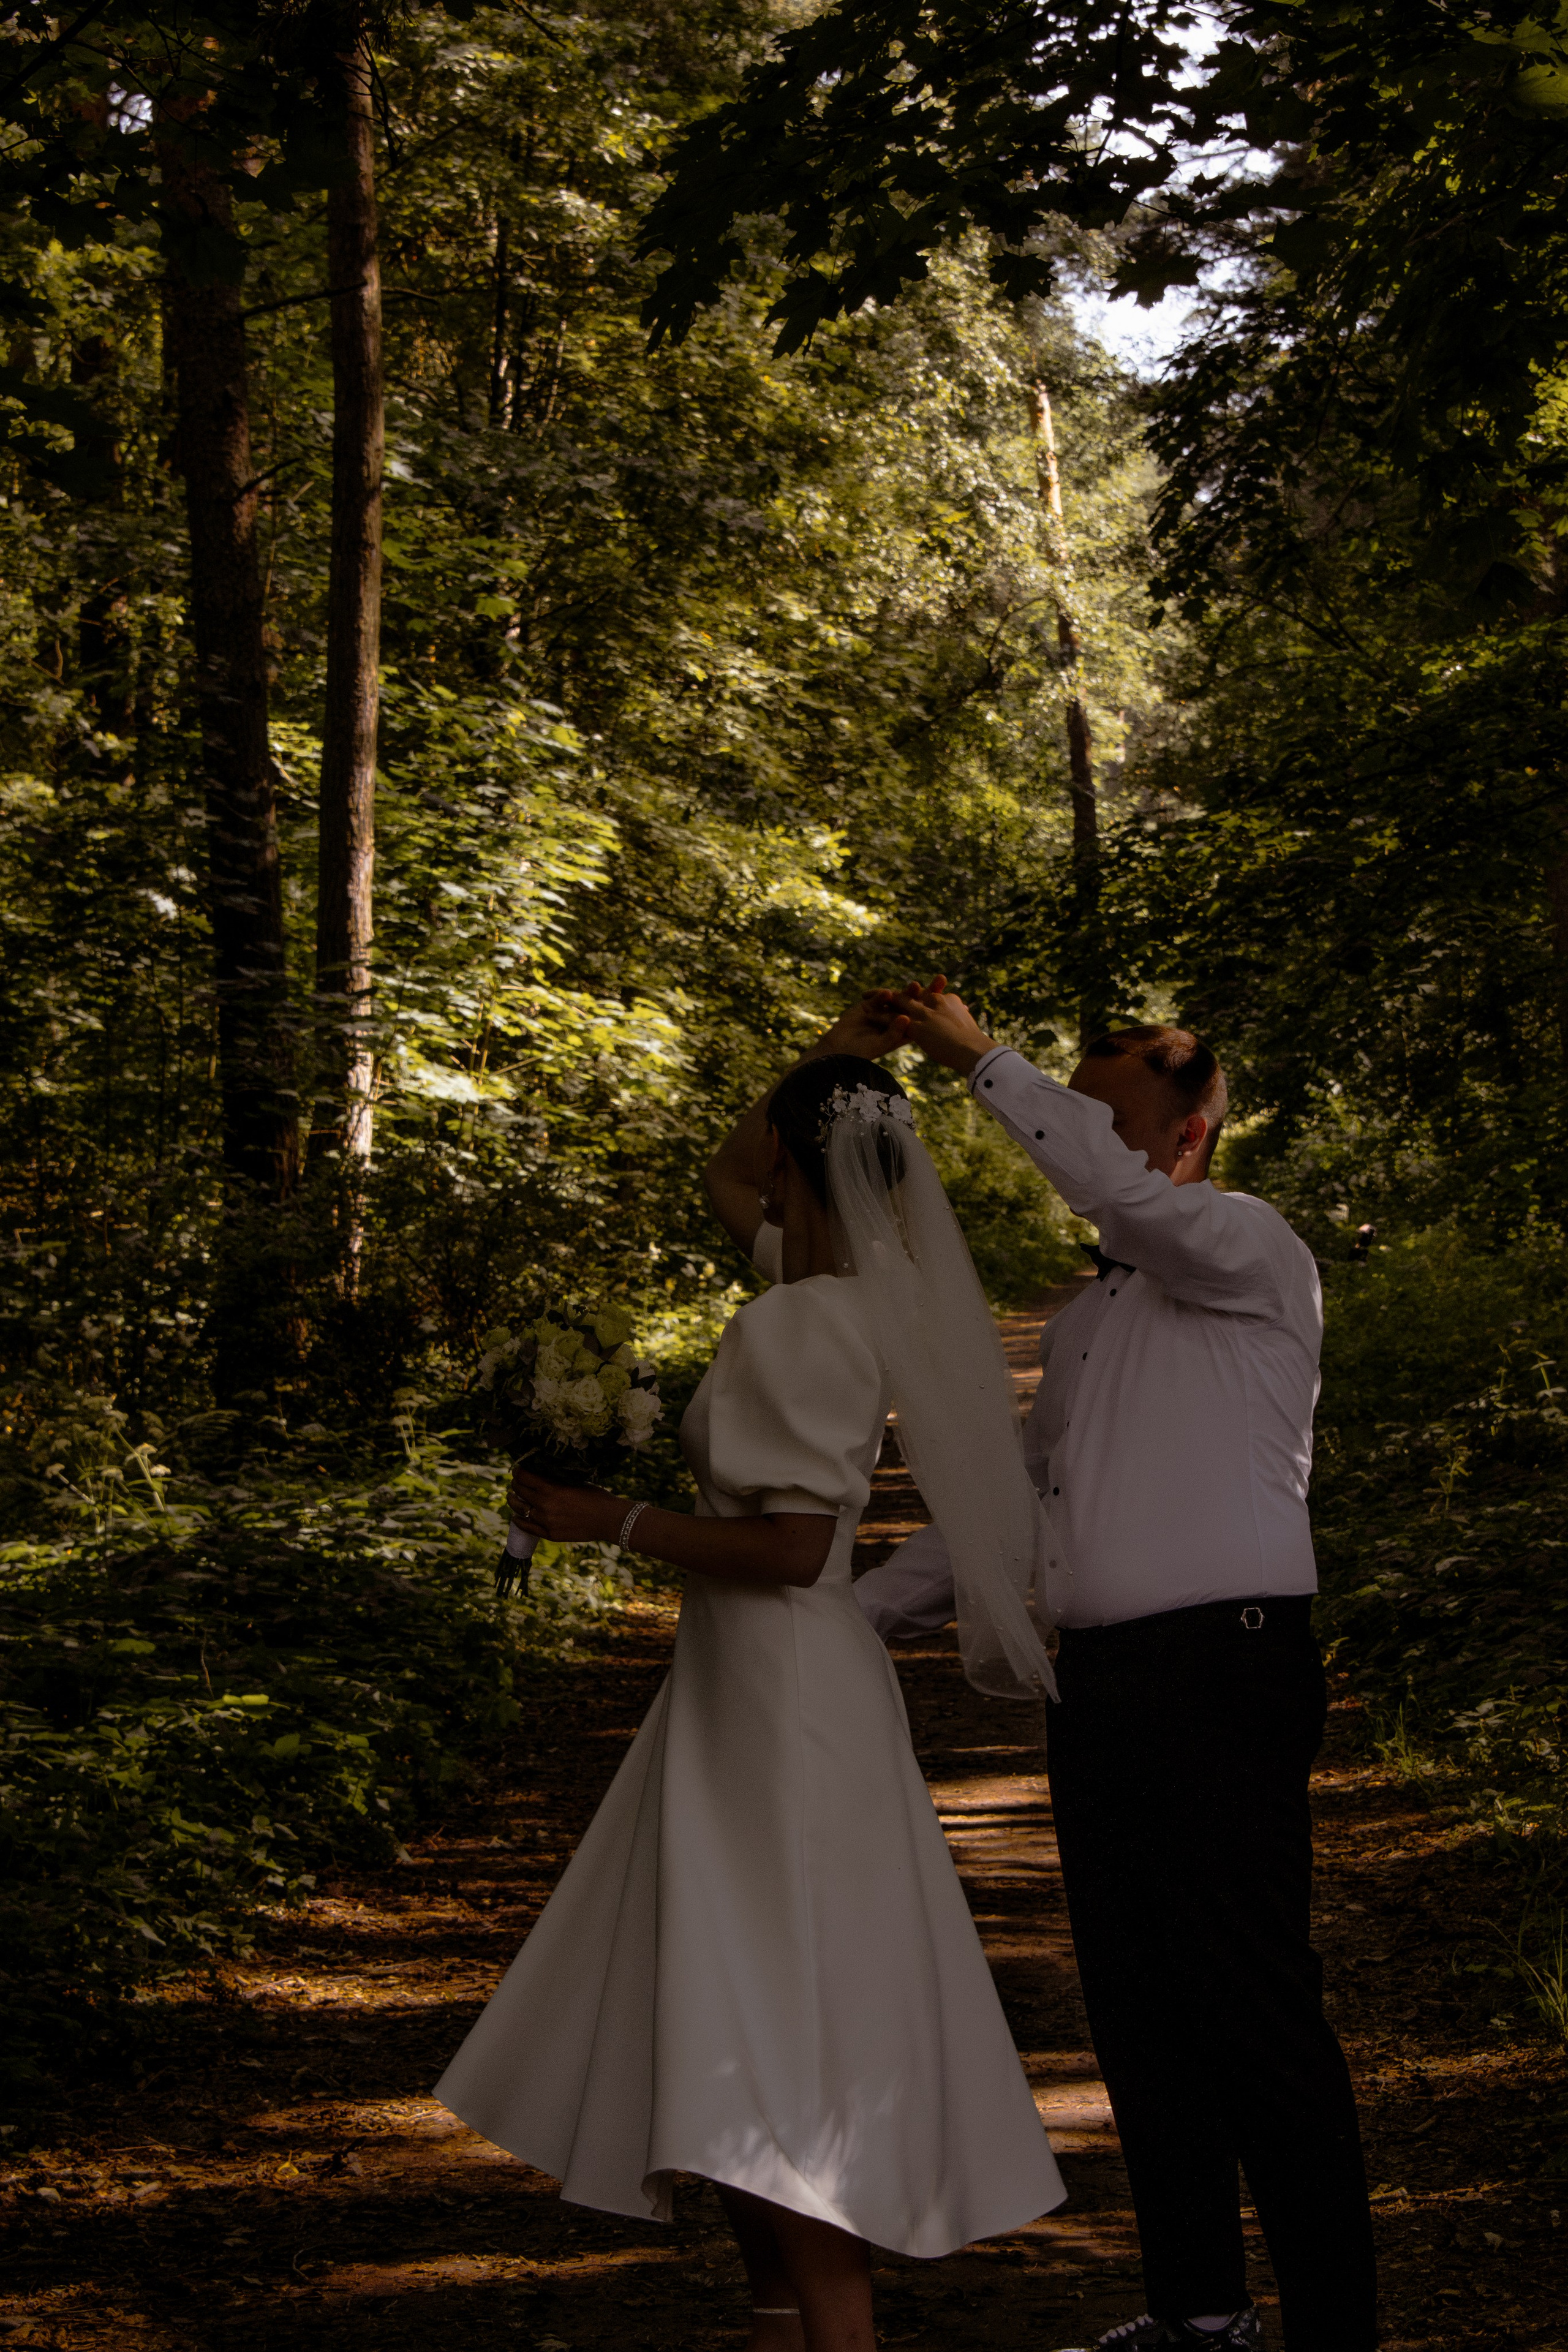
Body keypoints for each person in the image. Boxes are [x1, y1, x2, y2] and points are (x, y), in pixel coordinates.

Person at [434, 1022, 1066, 2352]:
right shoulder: (852, 1290)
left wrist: (609, 1521)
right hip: (758, 1697)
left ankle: (828, 2327)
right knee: (734, 2043)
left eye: (771, 1143)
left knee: (778, 2050)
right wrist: (828, 1051)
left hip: (775, 1710)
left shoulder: (797, 1318)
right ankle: (783, 2326)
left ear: (795, 1156)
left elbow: (788, 1549)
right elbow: (731, 1180)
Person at [853, 981, 1378, 2352]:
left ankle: (1334, 2330)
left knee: (1253, 2007)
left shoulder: (1248, 1248)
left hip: (1223, 1675)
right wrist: (846, 1615)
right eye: (1069, 1114)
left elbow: (1118, 1201)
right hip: (1103, 1690)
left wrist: (983, 1063)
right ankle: (1197, 2314)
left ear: (1188, 1133)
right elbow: (1019, 1510)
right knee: (1138, 2014)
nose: (1077, 1137)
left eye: (1107, 1117)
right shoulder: (1090, 1324)